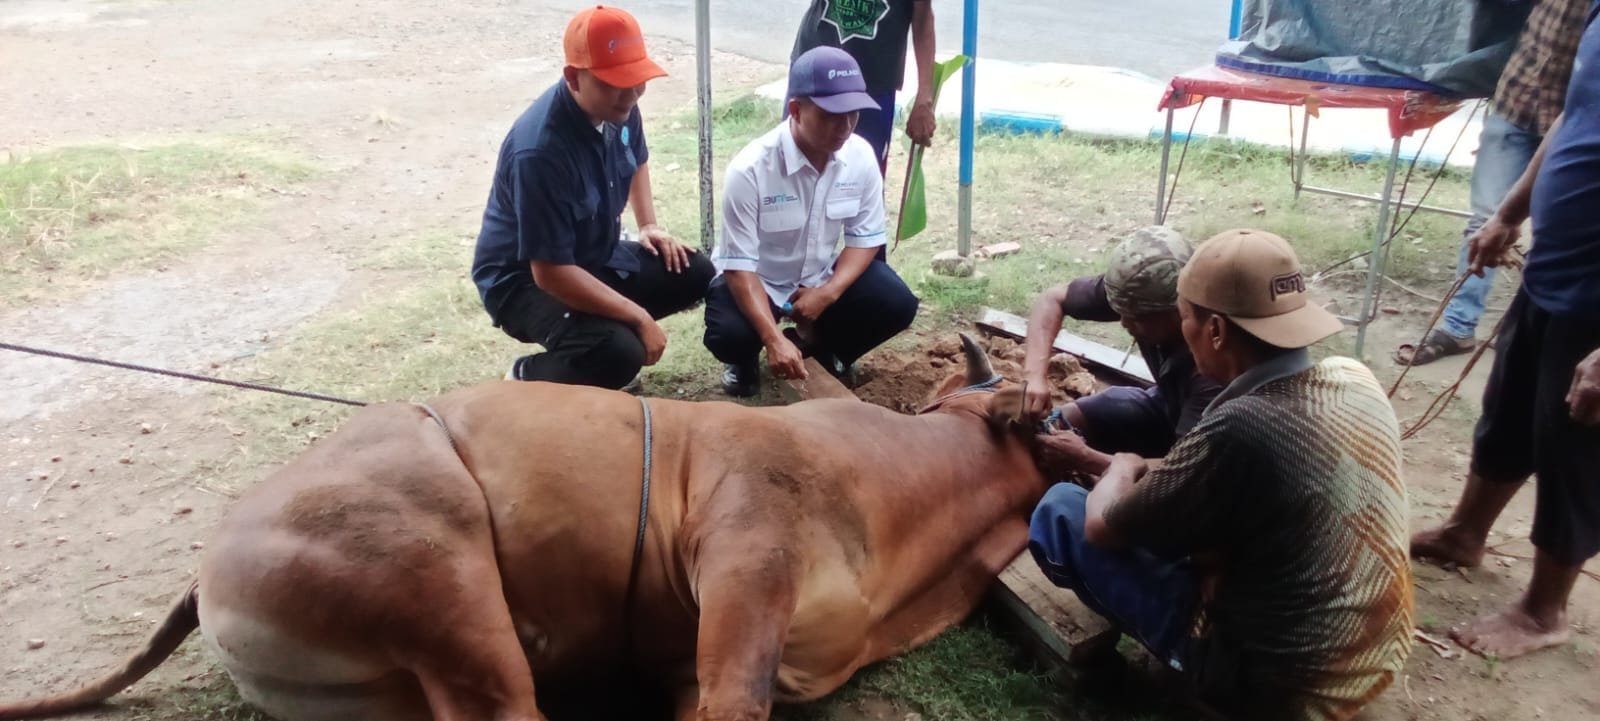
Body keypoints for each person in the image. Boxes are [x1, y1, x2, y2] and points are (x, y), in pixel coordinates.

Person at [1029, 230, 1413, 721]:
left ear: (1214, 331)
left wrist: (1120, 464)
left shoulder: (1237, 425)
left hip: (1282, 687)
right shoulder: (1350, 376)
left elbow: (1105, 526)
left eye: (1184, 318)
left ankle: (1203, 685)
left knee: (1063, 511)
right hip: (1374, 655)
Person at [1410, 2, 1600, 661]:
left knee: (1575, 445)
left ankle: (1544, 609)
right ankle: (1466, 532)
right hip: (1556, 266)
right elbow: (1572, 120)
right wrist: (1510, 212)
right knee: (1510, 408)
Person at [471, 5, 714, 391]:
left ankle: (598, 343)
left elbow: (637, 159)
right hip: (523, 281)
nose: (631, 94)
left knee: (694, 270)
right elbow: (549, 272)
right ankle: (527, 377)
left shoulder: (619, 107)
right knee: (619, 353)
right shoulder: (539, 151)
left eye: (637, 80)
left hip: (591, 254)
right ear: (573, 77)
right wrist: (638, 317)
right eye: (614, 83)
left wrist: (648, 224)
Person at [703, 47, 920, 397]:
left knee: (896, 302)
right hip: (761, 281)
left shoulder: (860, 156)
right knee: (729, 334)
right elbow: (739, 266)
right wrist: (771, 338)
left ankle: (824, 351)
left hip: (820, 277)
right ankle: (746, 359)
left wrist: (828, 293)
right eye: (831, 115)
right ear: (796, 109)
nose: (844, 127)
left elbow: (864, 239)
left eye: (852, 115)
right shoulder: (751, 169)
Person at [1395, 0, 1586, 366]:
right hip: (1517, 102)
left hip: (1571, 122)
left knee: (1555, 234)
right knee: (1486, 220)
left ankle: (1532, 338)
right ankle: (1457, 328)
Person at [1019, 226, 1222, 466]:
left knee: (1072, 497)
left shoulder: (1213, 369)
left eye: (1136, 317)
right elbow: (1052, 299)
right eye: (1120, 312)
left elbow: (1184, 473)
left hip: (1208, 462)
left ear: (1178, 310)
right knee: (1073, 416)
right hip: (1169, 406)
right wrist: (1034, 377)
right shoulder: (1138, 294)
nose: (1124, 322)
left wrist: (1088, 459)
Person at [789, 0, 937, 173]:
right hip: (814, 72)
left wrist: (923, 100)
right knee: (797, 164)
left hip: (872, 84)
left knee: (863, 171)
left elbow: (923, 15)